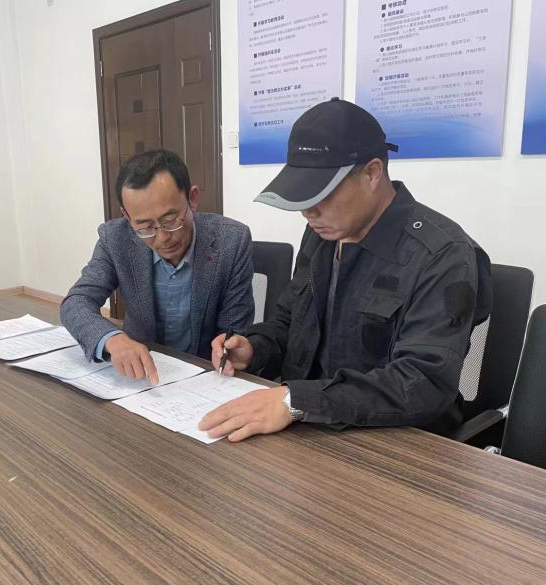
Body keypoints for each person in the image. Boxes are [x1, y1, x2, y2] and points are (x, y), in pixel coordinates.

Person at [199, 98, 492, 442]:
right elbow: (290, 321)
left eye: (321, 194)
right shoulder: (322, 234)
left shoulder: (441, 254)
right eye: (303, 196)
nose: (308, 211)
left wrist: (296, 401)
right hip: (310, 426)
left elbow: (423, 383)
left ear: (372, 173)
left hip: (396, 441)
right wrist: (254, 347)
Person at [61, 149, 254, 383]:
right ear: (127, 216)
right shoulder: (115, 239)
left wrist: (228, 346)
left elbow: (234, 329)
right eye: (145, 227)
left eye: (170, 220)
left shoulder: (231, 241)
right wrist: (113, 339)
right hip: (140, 376)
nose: (163, 238)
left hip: (203, 375)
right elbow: (76, 302)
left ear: (192, 199)